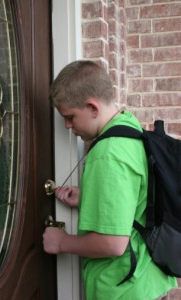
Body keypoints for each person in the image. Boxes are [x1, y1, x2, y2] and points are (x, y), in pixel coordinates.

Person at [43, 60, 177, 300]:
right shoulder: (129, 128)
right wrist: (89, 198)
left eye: (70, 117)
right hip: (146, 280)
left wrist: (62, 242)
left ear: (92, 107)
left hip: (125, 289)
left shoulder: (108, 154)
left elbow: (112, 244)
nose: (67, 125)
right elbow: (137, 195)